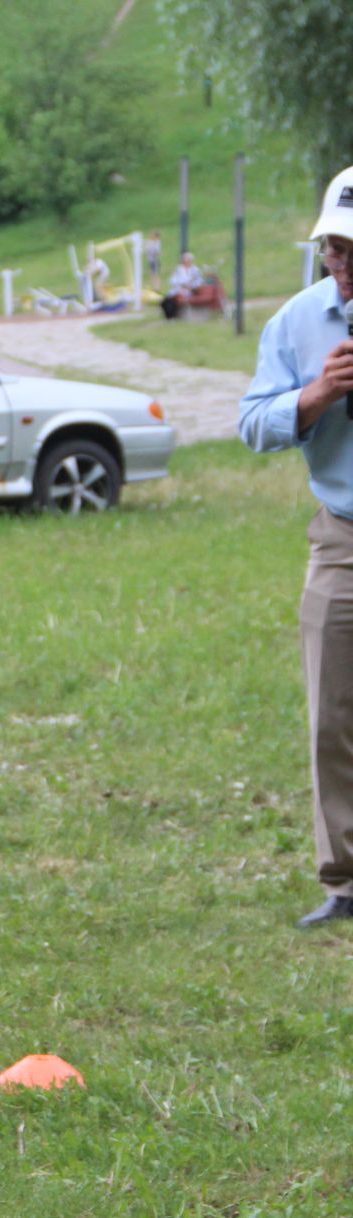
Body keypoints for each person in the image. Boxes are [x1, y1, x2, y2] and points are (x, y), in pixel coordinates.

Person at [239, 163, 353, 927]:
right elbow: (251, 422)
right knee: (331, 712)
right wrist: (312, 398)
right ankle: (344, 880)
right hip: (341, 535)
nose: (340, 267)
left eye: (350, 252)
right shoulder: (298, 321)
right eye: (332, 251)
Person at [163, 252, 205, 319]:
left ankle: (173, 315)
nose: (186, 262)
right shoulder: (179, 269)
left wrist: (192, 287)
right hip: (178, 289)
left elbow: (199, 282)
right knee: (166, 300)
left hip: (189, 291)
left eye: (188, 260)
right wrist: (179, 284)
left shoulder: (195, 270)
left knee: (176, 299)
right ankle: (169, 315)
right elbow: (172, 280)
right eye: (185, 260)